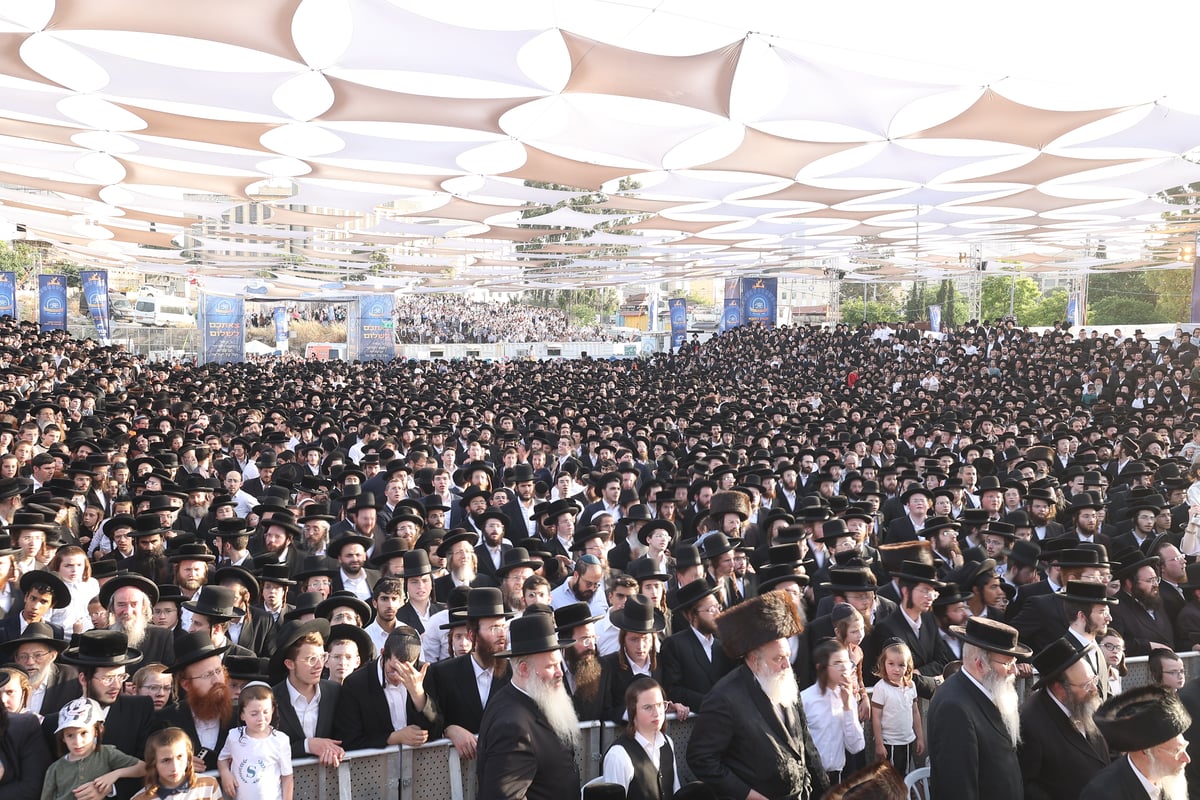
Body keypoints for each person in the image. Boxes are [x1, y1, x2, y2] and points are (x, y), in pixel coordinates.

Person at [687, 590, 830, 800]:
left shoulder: (786, 681)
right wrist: (748, 795)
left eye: (787, 656)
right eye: (778, 658)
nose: (786, 665)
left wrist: (828, 792)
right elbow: (701, 758)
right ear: (754, 660)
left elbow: (805, 743)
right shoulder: (724, 698)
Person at [475, 613, 582, 800]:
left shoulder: (536, 698)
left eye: (559, 664)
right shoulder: (512, 726)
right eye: (550, 666)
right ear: (524, 669)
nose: (559, 673)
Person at [926, 616, 1030, 800]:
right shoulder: (954, 708)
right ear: (980, 664)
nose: (1014, 671)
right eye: (1007, 663)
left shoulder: (988, 691)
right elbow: (958, 788)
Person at [1017, 637, 1109, 800]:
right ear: (1059, 688)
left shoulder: (1085, 703)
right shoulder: (1030, 722)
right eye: (1086, 685)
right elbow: (1027, 784)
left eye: (1093, 680)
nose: (1094, 689)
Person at [333, 627, 438, 751]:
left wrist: (418, 695)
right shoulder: (355, 684)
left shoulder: (426, 674)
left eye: (406, 671)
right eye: (393, 669)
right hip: (375, 766)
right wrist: (394, 738)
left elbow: (437, 728)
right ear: (383, 653)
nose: (399, 676)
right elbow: (349, 740)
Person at [1083, 686, 1191, 800]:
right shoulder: (1102, 794)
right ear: (1145, 752)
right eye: (1177, 752)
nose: (1187, 759)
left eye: (1184, 747)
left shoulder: (1166, 776)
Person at [42, 697, 146, 800]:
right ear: (63, 738)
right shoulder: (54, 769)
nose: (77, 742)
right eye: (70, 735)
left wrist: (114, 775)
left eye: (84, 733)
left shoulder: (107, 754)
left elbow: (144, 768)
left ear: (96, 731)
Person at [600, 676, 682, 799]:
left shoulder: (667, 743)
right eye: (648, 707)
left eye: (660, 705)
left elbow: (675, 792)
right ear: (632, 712)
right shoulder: (618, 756)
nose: (657, 713)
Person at [800, 640, 865, 786]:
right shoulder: (806, 699)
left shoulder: (847, 696)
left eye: (846, 662)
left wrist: (848, 706)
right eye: (837, 663)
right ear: (821, 667)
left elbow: (856, 746)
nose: (844, 668)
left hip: (839, 777)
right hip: (811, 779)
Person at [217, 684, 293, 800]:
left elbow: (287, 776)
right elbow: (222, 759)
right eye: (254, 714)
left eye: (265, 712)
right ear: (242, 714)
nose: (261, 718)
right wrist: (225, 774)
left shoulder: (280, 740)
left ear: (272, 710)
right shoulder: (234, 736)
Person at [870, 638, 922, 775]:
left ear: (908, 666)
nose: (896, 669)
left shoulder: (911, 686)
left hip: (907, 740)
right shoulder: (881, 688)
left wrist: (920, 737)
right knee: (891, 779)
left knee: (904, 775)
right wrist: (879, 743)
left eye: (901, 665)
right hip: (889, 742)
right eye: (891, 664)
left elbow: (915, 712)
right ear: (883, 663)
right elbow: (875, 717)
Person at [0, 669, 53, 800]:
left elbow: (33, 786)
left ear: (24, 693)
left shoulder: (26, 726)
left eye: (10, 692)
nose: (3, 700)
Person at [130, 727, 222, 800]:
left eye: (180, 757)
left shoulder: (208, 785)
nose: (175, 767)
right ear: (154, 763)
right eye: (166, 760)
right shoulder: (140, 798)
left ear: (189, 756)